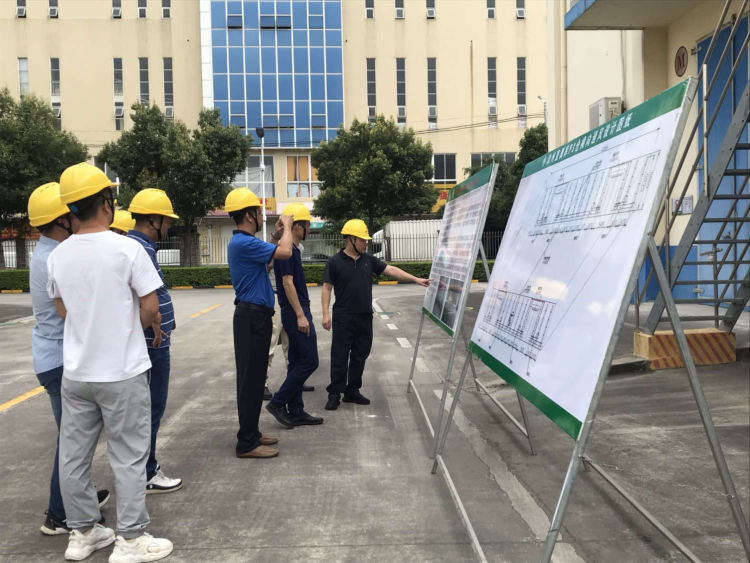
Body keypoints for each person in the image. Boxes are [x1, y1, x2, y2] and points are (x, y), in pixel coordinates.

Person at [47, 162, 172, 562]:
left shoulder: (58, 255)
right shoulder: (127, 249)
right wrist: (126, 328)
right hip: (122, 371)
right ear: (106, 202)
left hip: (77, 373)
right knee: (129, 456)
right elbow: (150, 307)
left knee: (73, 457)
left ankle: (83, 533)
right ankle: (130, 539)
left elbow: (62, 309)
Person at [27, 182, 110, 536]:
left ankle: (79, 498)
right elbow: (77, 310)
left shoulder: (47, 252)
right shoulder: (56, 258)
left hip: (49, 356)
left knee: (74, 438)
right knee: (73, 443)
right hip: (60, 359)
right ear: (62, 220)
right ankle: (60, 513)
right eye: (73, 213)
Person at [322, 219, 429, 411]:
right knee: (340, 355)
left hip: (364, 317)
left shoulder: (368, 260)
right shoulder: (334, 262)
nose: (366, 243)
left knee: (360, 355)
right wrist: (325, 314)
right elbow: (327, 288)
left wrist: (415, 279)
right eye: (362, 239)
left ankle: (352, 391)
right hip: (343, 317)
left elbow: (391, 270)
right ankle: (334, 393)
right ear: (351, 239)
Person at [225, 188, 293, 458]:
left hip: (255, 317)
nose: (260, 215)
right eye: (257, 211)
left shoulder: (245, 243)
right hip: (251, 318)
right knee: (250, 381)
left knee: (254, 379)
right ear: (249, 215)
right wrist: (288, 226)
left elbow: (266, 263)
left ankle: (251, 432)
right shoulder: (243, 242)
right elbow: (285, 251)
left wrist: (276, 235)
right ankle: (246, 443)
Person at [127, 189, 183, 495]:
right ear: (153, 220)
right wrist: (155, 322)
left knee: (146, 409)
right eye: (166, 220)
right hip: (152, 342)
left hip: (151, 339)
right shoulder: (139, 249)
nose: (169, 226)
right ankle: (147, 471)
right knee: (151, 408)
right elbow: (145, 300)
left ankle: (143, 469)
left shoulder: (139, 246)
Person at [265, 203, 323, 427]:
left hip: (295, 308)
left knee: (298, 360)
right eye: (306, 225)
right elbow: (287, 283)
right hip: (295, 309)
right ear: (297, 226)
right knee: (310, 360)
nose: (308, 229)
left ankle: (296, 409)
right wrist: (300, 314)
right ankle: (278, 402)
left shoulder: (292, 249)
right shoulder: (286, 250)